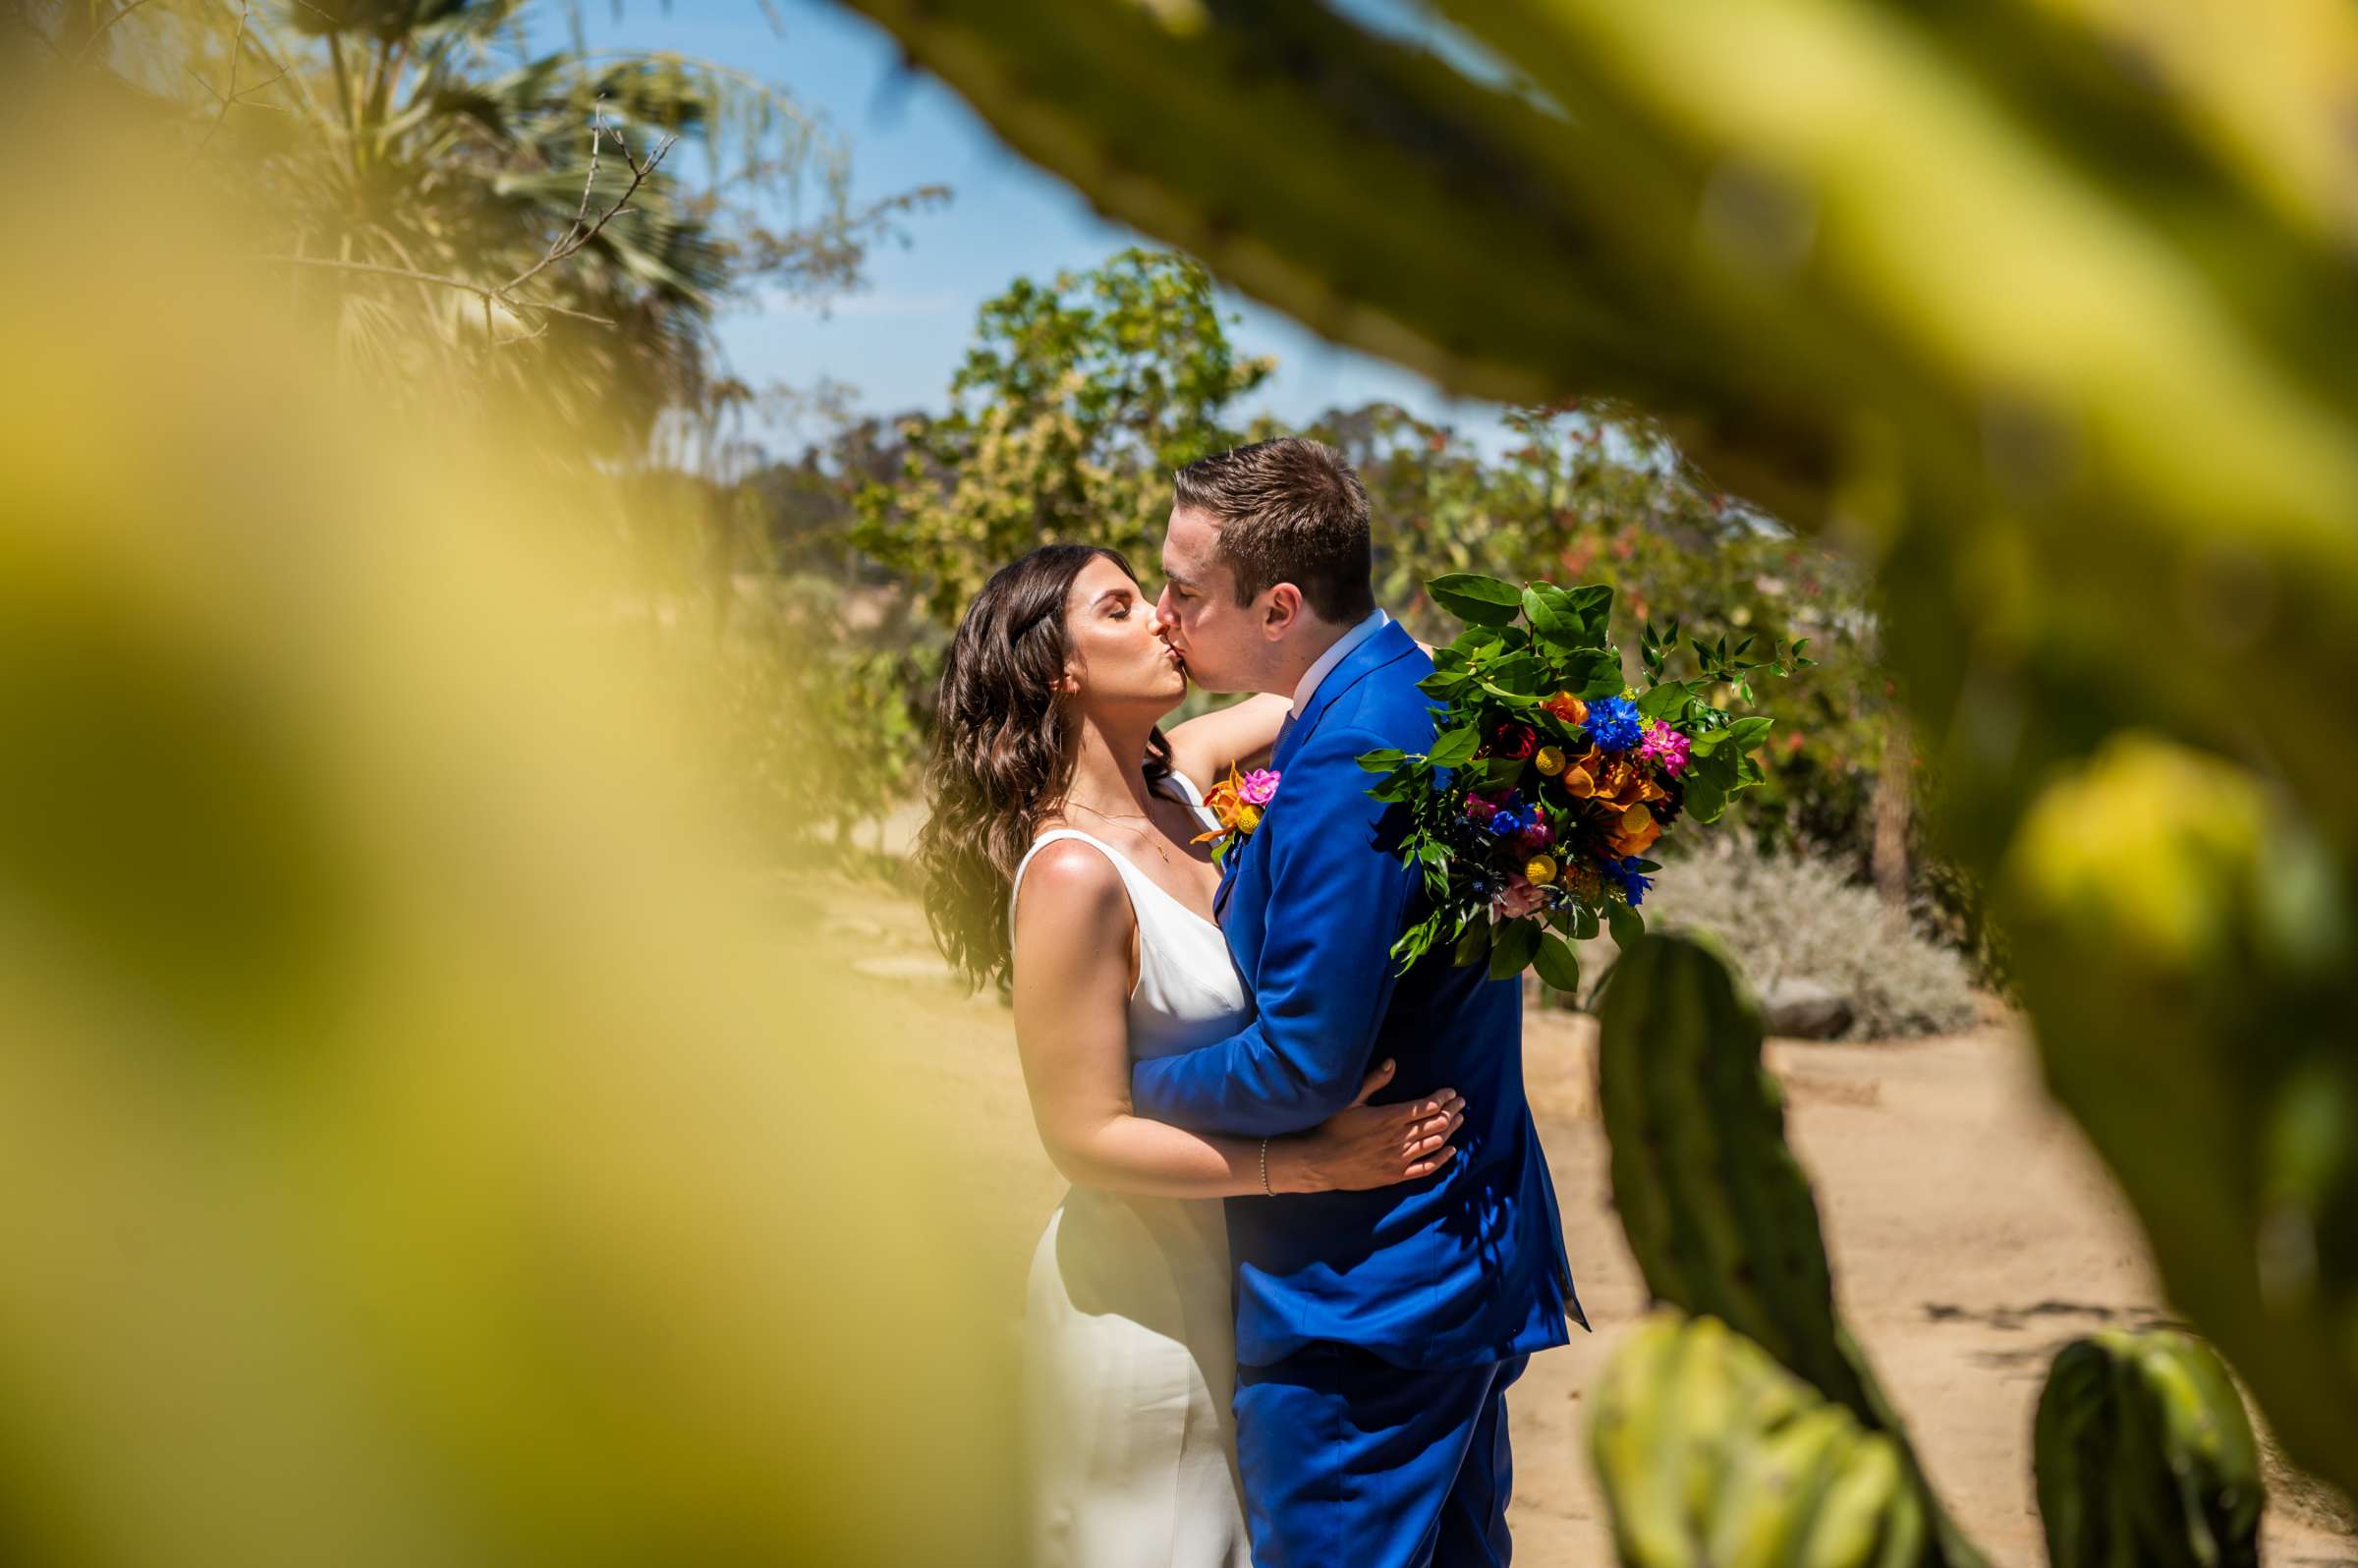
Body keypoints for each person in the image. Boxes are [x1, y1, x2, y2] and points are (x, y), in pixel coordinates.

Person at [914, 541, 1467, 1568]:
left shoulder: (1193, 785)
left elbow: (1348, 679)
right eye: (1121, 608)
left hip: (1252, 1279)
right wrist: (1310, 1165)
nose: (1163, 619)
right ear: (1058, 670)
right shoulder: (1071, 875)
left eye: (1160, 597)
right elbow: (1081, 1138)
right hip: (1141, 1302)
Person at [1142, 436, 1587, 1567]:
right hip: (1444, 1260)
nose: (1165, 613)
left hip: (1363, 1299)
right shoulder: (1409, 694)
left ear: (1280, 604)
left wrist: (1122, 1089)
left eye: (1186, 590)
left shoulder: (1353, 761)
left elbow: (1302, 1063)